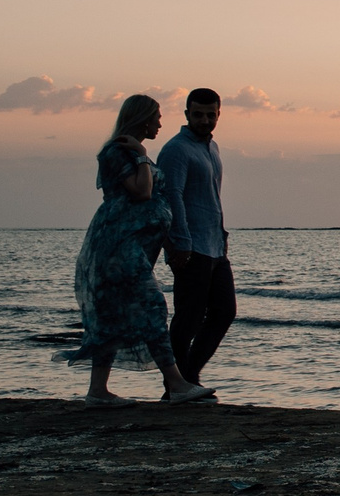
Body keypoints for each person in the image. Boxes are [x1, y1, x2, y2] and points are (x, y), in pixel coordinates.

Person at [71, 93, 214, 406]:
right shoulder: (118, 151)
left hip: (133, 246)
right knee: (151, 307)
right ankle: (176, 384)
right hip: (119, 245)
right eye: (157, 116)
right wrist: (140, 154)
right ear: (143, 117)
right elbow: (142, 192)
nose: (161, 122)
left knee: (112, 315)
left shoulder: (133, 152)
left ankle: (98, 390)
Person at [158, 86, 235, 385]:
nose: (205, 120)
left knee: (224, 312)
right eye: (198, 115)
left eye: (211, 115)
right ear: (187, 114)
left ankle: (188, 376)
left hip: (215, 245)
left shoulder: (212, 149)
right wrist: (180, 242)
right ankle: (176, 384)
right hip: (190, 246)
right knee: (188, 318)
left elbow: (211, 197)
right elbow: (170, 196)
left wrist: (222, 234)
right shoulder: (177, 149)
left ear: (218, 115)